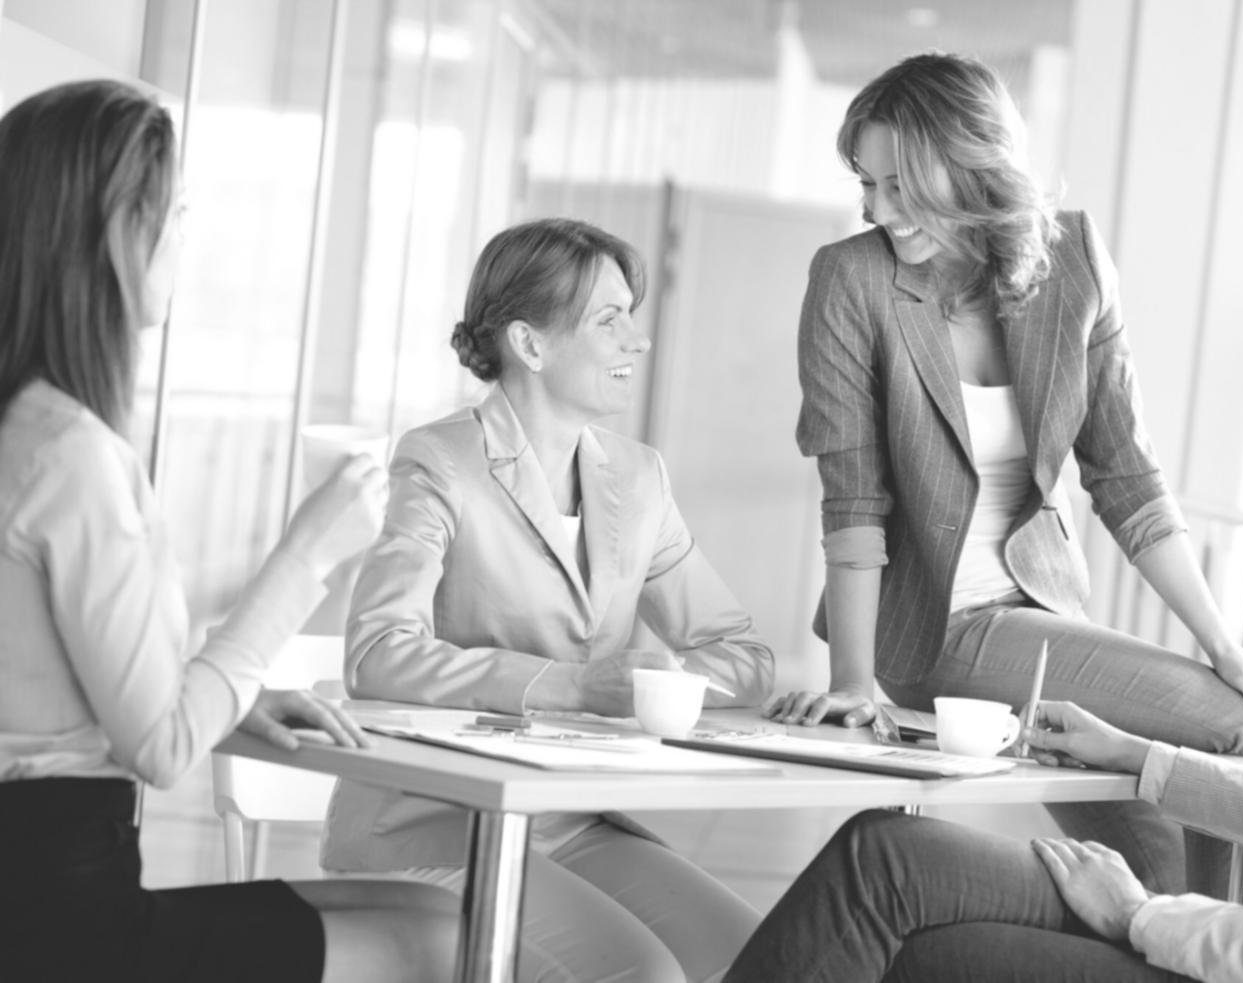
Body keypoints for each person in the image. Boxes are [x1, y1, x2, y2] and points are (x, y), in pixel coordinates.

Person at [727, 364, 1243, 983]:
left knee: (890, 877)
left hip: (1237, 963)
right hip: (1225, 944)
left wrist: (1138, 913)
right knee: (889, 856)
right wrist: (1134, 754)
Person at [765, 51, 1243, 895]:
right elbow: (855, 497)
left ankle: (1200, 940)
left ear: (971, 166)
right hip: (930, 629)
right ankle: (1231, 950)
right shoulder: (852, 279)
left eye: (901, 185)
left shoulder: (1074, 260)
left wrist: (1222, 643)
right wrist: (853, 681)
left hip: (1038, 610)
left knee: (1157, 863)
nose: (878, 209)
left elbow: (1125, 474)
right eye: (868, 184)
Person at [0, 81, 457, 982]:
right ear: (115, 231)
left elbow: (61, 683)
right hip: (59, 919)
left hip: (37, 886)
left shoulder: (28, 431)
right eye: (174, 213)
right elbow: (160, 745)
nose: (184, 238)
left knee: (442, 912)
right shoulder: (74, 459)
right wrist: (308, 552)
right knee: (438, 941)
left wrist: (228, 695)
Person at [319, 217, 775, 983]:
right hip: (435, 822)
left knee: (763, 958)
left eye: (632, 314)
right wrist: (572, 685)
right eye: (609, 318)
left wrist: (667, 683)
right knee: (643, 974)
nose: (637, 339)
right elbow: (377, 651)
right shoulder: (439, 463)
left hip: (568, 818)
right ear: (529, 346)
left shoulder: (639, 478)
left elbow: (745, 656)